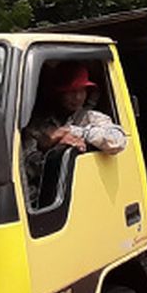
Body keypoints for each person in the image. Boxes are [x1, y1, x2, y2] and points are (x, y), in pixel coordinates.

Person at [22, 62, 126, 203]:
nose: (77, 97)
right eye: (71, 91)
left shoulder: (90, 117)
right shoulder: (37, 124)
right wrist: (50, 148)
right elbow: (23, 169)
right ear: (58, 93)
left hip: (88, 197)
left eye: (82, 91)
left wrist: (73, 131)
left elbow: (117, 141)